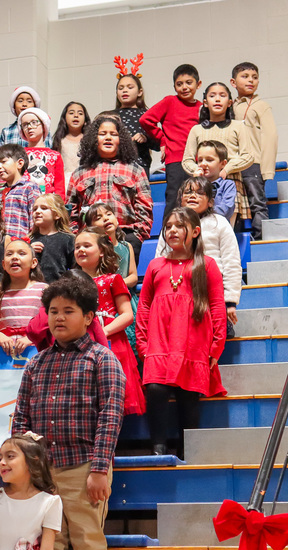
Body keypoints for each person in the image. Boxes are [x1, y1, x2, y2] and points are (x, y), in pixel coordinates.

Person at [12, 275, 126, 550]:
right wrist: (21, 467)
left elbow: (110, 416)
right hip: (43, 472)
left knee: (88, 545)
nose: (58, 317)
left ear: (89, 316)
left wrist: (100, 469)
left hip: (84, 467)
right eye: (53, 311)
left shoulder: (102, 359)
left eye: (68, 311)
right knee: (50, 546)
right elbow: (21, 419)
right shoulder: (36, 363)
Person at [137, 208, 226, 456]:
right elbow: (144, 307)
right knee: (156, 390)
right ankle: (158, 448)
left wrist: (216, 346)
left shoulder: (207, 265)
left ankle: (187, 452)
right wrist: (142, 344)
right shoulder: (155, 265)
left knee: (188, 396)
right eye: (168, 227)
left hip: (193, 343)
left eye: (179, 226)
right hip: (159, 342)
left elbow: (217, 306)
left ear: (195, 231)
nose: (172, 231)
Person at [73, 228, 147, 416]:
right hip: (80, 344)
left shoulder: (113, 279)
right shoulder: (70, 283)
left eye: (87, 245)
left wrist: (102, 332)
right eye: (77, 246)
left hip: (113, 345)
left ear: (102, 251)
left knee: (112, 398)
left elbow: (127, 315)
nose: (81, 250)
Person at [68, 114, 153, 256]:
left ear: (122, 140)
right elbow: (71, 210)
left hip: (126, 236)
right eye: (102, 134)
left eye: (113, 134)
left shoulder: (135, 170)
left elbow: (145, 206)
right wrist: (76, 236)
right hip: (90, 239)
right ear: (93, 139)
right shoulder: (79, 173)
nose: (108, 137)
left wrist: (136, 237)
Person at [170, 177, 242, 334]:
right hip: (180, 292)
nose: (192, 196)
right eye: (188, 192)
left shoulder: (220, 223)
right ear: (180, 199)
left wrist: (230, 302)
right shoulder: (172, 225)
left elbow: (232, 262)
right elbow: (161, 261)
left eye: (200, 193)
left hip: (213, 294)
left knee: (214, 337)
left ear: (210, 202)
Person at [182, 82, 255, 230]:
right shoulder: (196, 130)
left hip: (231, 181)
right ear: (205, 102)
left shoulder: (238, 126)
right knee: (202, 230)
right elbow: (187, 159)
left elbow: (248, 156)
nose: (217, 99)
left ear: (229, 102)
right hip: (203, 185)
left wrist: (227, 169)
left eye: (222, 95)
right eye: (212, 96)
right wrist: (197, 170)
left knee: (224, 229)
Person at [140, 64, 202, 223]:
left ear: (198, 84)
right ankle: (167, 231)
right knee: (175, 198)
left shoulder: (201, 107)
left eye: (189, 82)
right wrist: (162, 139)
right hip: (176, 159)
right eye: (179, 84)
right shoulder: (170, 101)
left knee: (197, 198)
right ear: (174, 87)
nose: (184, 87)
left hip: (196, 161)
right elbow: (146, 120)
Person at [232, 61, 278, 236]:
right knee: (234, 204)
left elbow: (270, 137)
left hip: (253, 164)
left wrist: (267, 170)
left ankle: (260, 239)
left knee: (257, 203)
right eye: (245, 76)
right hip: (233, 164)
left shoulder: (261, 106)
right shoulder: (230, 105)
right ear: (233, 82)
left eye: (255, 77)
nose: (250, 80)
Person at [0, 239, 47, 357]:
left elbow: (50, 324)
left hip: (36, 352)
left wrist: (31, 338)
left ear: (33, 262)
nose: (14, 257)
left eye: (21, 253)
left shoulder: (44, 290)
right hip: (6, 353)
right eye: (9, 254)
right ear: (4, 264)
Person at [0, 144, 41, 242]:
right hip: (1, 245)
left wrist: (33, 241)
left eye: (3, 162)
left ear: (19, 163)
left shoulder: (30, 188)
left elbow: (35, 220)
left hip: (23, 244)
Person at [114, 74, 157, 174]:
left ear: (139, 92)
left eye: (130, 87)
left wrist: (145, 138)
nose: (125, 90)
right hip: (116, 166)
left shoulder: (147, 115)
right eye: (121, 88)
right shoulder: (111, 116)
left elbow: (158, 145)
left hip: (140, 165)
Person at [19, 108, 64, 196]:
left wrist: (60, 203)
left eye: (34, 122)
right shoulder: (19, 154)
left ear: (43, 126)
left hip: (48, 202)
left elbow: (60, 187)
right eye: (25, 125)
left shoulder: (55, 156)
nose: (29, 127)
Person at [29, 194, 74, 282]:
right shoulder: (28, 240)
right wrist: (28, 251)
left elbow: (75, 269)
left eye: (44, 208)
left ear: (57, 214)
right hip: (33, 288)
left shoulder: (68, 239)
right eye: (35, 209)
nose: (37, 211)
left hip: (58, 287)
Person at [52, 102, 90, 186]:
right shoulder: (59, 141)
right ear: (64, 118)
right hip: (65, 183)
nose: (76, 115)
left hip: (85, 181)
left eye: (80, 113)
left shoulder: (89, 141)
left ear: (85, 120)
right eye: (71, 113)